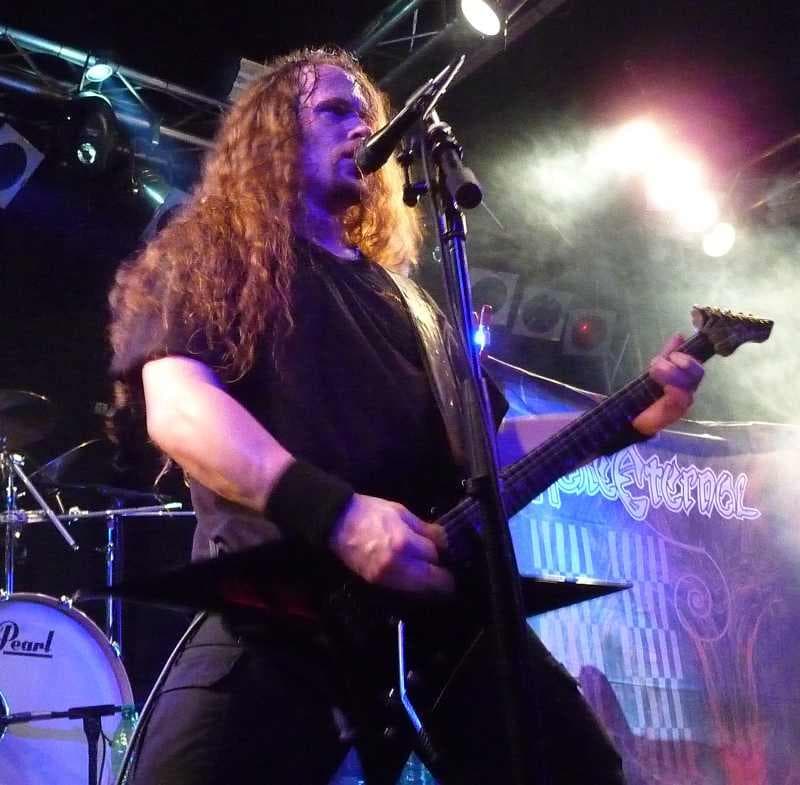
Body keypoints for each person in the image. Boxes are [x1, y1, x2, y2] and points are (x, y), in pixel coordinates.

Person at [108, 47, 703, 785]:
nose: (361, 126)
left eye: (365, 113)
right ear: (273, 136)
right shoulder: (211, 249)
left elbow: (486, 450)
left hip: (439, 618)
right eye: (333, 110)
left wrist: (629, 416)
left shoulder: (413, 303)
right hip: (279, 604)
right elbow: (179, 407)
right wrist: (337, 515)